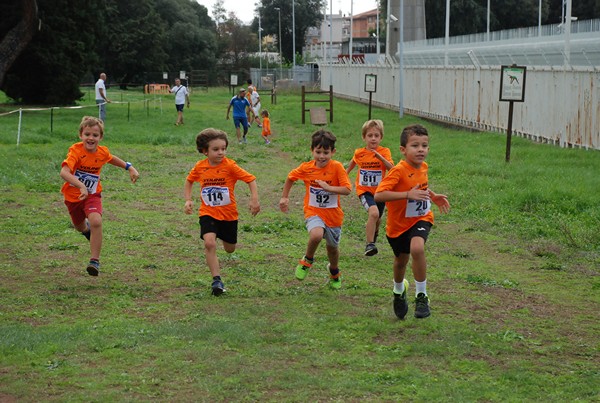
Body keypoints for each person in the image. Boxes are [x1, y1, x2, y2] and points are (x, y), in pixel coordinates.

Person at [374, 124, 450, 319]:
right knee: (401, 262)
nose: (421, 150)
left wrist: (432, 196)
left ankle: (421, 295)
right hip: (398, 225)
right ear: (403, 150)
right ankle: (399, 292)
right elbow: (379, 195)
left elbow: (419, 186)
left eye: (424, 145)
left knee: (417, 248)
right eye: (415, 146)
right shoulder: (398, 171)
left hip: (421, 217)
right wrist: (407, 194)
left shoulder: (423, 167)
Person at [184, 128, 260, 296]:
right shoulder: (200, 167)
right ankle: (216, 280)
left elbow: (251, 179)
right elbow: (189, 181)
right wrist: (188, 199)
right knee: (209, 242)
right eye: (216, 149)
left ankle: (223, 237)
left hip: (228, 215)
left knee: (230, 248)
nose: (221, 153)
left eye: (224, 149)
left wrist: (254, 199)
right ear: (205, 151)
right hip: (208, 212)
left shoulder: (230, 166)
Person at [60, 116, 139, 276]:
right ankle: (87, 231)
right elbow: (64, 172)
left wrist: (129, 167)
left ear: (100, 137)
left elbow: (111, 159)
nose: (91, 138)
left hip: (92, 194)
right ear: (80, 135)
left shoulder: (102, 152)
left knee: (96, 221)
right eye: (87, 134)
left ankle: (94, 261)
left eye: (95, 135)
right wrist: (81, 185)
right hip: (73, 196)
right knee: (79, 227)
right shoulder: (76, 151)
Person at [279, 129, 352, 289]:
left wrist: (329, 188)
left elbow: (347, 189)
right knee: (316, 235)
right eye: (318, 152)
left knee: (332, 250)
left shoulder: (337, 167)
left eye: (326, 152)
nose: (321, 156)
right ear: (312, 150)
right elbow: (291, 177)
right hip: (313, 211)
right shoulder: (306, 168)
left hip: (333, 216)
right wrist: (285, 197)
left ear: (333, 152)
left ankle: (334, 270)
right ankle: (307, 260)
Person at [346, 119, 394, 257]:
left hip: (380, 192)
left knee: (377, 218)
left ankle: (374, 233)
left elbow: (392, 169)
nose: (373, 138)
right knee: (373, 213)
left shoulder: (384, 152)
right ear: (364, 137)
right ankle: (369, 245)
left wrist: (381, 158)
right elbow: (353, 162)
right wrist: (344, 175)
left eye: (376, 136)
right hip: (364, 191)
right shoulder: (359, 153)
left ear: (381, 137)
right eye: (370, 135)